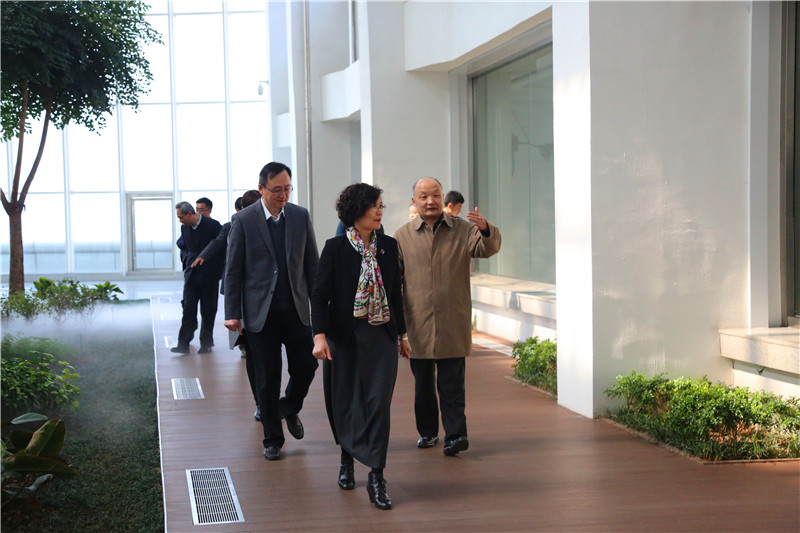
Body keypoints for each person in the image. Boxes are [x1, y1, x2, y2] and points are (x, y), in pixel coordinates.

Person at [311, 183, 410, 510]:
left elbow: (395, 295)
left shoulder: (389, 246)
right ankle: (347, 457)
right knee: (347, 402)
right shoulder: (335, 248)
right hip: (345, 338)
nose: (380, 211)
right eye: (374, 206)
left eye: (381, 205)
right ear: (356, 211)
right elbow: (319, 296)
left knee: (378, 404)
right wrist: (319, 336)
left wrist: (403, 336)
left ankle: (377, 476)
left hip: (381, 337)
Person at [394, 177, 501, 456]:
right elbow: (393, 281)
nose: (430, 201)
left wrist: (486, 229)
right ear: (414, 202)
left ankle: (456, 435)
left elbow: (486, 249)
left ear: (443, 199)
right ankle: (428, 432)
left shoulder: (463, 230)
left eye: (436, 195)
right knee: (423, 386)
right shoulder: (402, 236)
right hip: (417, 323)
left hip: (453, 320)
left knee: (452, 384)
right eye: (423, 196)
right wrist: (398, 327)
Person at [224, 162, 319, 461]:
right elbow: (233, 270)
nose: (283, 195)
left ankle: (288, 407)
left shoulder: (300, 216)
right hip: (259, 314)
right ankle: (272, 439)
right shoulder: (243, 220)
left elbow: (312, 265)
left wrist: (321, 308)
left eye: (287, 189)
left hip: (296, 310)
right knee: (267, 378)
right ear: (261, 188)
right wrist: (232, 312)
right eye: (277, 190)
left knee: (307, 366)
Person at [171, 201, 226, 354]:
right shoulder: (185, 228)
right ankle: (183, 343)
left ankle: (206, 342)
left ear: (190, 214)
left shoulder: (213, 225)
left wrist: (217, 269)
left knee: (208, 310)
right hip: (191, 274)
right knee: (188, 308)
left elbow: (221, 246)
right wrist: (187, 261)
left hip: (209, 275)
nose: (180, 221)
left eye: (181, 217)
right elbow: (185, 248)